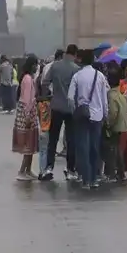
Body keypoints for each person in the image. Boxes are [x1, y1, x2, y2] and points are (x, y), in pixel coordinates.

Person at [67, 49, 107, 188]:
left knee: (83, 148)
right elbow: (104, 99)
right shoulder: (100, 76)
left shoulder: (77, 76)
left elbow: (70, 98)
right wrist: (105, 114)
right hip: (97, 116)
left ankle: (86, 179)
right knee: (95, 147)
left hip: (82, 116)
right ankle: (95, 177)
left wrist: (75, 111)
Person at [40, 45, 80, 180]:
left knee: (53, 139)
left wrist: (50, 94)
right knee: (71, 139)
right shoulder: (76, 69)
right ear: (74, 54)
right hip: (70, 108)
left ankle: (49, 168)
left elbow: (44, 82)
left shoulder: (55, 66)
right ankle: (70, 170)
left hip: (56, 106)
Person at [12, 56, 40, 179]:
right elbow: (27, 100)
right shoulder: (28, 79)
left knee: (31, 144)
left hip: (29, 113)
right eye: (35, 64)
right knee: (28, 144)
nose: (37, 66)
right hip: (27, 114)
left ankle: (28, 170)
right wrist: (28, 116)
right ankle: (22, 171)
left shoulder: (28, 78)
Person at [105, 67, 127, 181]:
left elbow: (113, 113)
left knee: (112, 150)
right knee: (118, 149)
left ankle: (112, 173)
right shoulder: (120, 94)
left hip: (115, 126)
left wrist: (108, 124)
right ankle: (121, 172)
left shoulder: (111, 96)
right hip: (122, 125)